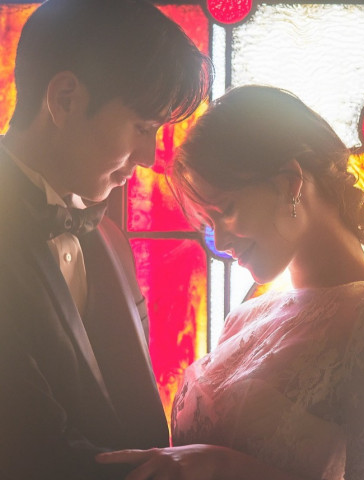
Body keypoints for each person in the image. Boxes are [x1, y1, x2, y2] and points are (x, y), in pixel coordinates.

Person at [97, 85, 364, 480]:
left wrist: (224, 467)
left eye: (227, 209)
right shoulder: (245, 318)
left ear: (290, 183)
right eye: (209, 222)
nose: (221, 241)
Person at [0, 0, 211, 478]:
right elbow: (28, 450)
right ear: (65, 99)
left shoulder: (109, 238)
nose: (148, 156)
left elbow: (131, 415)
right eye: (143, 127)